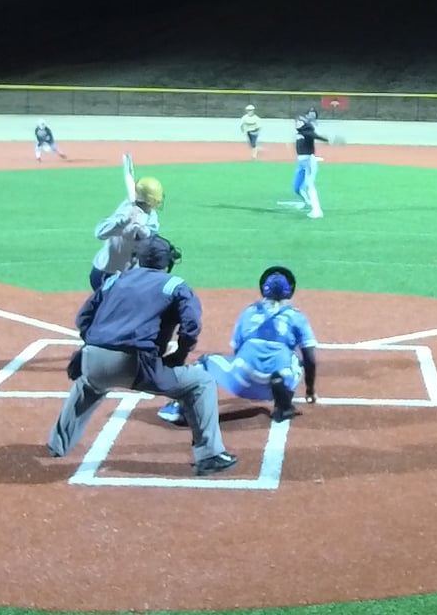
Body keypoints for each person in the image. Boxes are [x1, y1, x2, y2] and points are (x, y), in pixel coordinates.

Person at [48, 235, 238, 477]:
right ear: (168, 262)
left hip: (93, 359)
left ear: (138, 259)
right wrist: (180, 354)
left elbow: (83, 318)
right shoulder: (175, 285)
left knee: (87, 385)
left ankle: (57, 444)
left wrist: (88, 349)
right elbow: (191, 325)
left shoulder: (114, 280)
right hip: (136, 364)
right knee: (201, 383)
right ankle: (209, 455)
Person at [160, 264, 319, 426]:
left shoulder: (249, 311)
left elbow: (237, 349)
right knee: (296, 360)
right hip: (279, 382)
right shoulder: (296, 316)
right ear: (289, 291)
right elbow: (310, 359)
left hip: (241, 380)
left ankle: (178, 408)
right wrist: (310, 391)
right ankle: (283, 405)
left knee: (205, 362)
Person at [91, 158, 162, 291]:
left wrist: (140, 228)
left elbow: (151, 235)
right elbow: (99, 233)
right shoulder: (125, 211)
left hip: (129, 274)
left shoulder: (151, 215)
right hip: (106, 272)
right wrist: (124, 221)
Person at [291, 108, 330, 218]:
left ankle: (317, 211)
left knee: (310, 185)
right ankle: (307, 202)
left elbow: (314, 135)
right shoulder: (300, 132)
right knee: (296, 188)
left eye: (299, 121)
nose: (297, 123)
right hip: (300, 163)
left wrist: (327, 140)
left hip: (308, 161)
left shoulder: (307, 131)